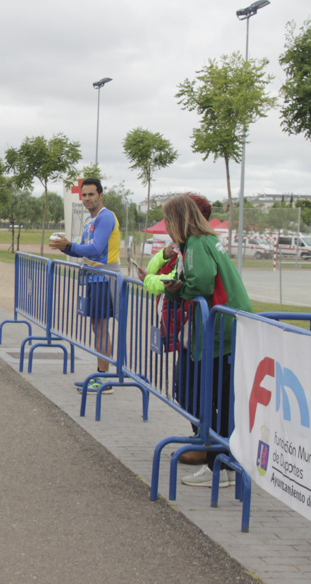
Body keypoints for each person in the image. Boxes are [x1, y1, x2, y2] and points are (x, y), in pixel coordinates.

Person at [158, 194, 252, 488]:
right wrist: (176, 290)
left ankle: (219, 464)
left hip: (221, 330)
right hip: (223, 328)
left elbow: (202, 282)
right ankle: (215, 457)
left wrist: (177, 290)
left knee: (208, 395)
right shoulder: (204, 242)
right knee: (201, 392)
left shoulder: (198, 243)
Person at [136, 194, 213, 466]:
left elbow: (191, 283)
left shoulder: (197, 245)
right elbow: (165, 274)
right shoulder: (184, 247)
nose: (165, 226)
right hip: (191, 330)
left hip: (205, 330)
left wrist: (160, 284)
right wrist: (162, 264)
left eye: (169, 220)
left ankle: (211, 447)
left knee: (195, 389)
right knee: (185, 387)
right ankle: (203, 439)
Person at [49, 178, 121, 393]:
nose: (87, 199)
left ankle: (104, 379)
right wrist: (65, 248)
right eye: (84, 195)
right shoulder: (91, 220)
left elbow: (96, 249)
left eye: (91, 194)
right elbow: (83, 249)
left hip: (104, 278)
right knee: (97, 328)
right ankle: (101, 374)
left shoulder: (106, 217)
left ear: (101, 195)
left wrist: (69, 245)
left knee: (101, 329)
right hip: (94, 277)